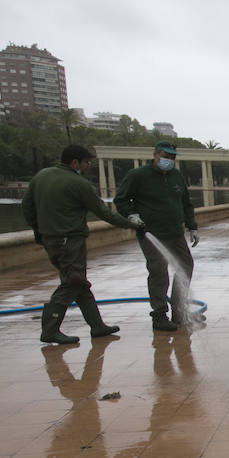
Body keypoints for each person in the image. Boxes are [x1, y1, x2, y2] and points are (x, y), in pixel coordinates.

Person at [22, 144, 142, 344]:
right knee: (73, 282)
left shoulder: (41, 176)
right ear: (74, 162)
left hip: (51, 239)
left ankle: (97, 326)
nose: (87, 166)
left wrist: (40, 230)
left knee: (79, 282)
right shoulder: (78, 183)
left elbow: (27, 207)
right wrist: (131, 224)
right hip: (70, 240)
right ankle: (50, 328)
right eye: (86, 162)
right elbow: (103, 212)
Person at [115, 141, 200, 332]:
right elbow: (120, 200)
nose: (169, 161)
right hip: (151, 233)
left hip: (175, 232)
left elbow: (186, 203)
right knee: (159, 272)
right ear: (155, 155)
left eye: (172, 158)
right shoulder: (138, 176)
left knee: (186, 266)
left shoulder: (176, 176)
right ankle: (159, 315)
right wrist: (131, 214)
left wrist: (192, 226)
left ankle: (179, 311)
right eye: (165, 156)